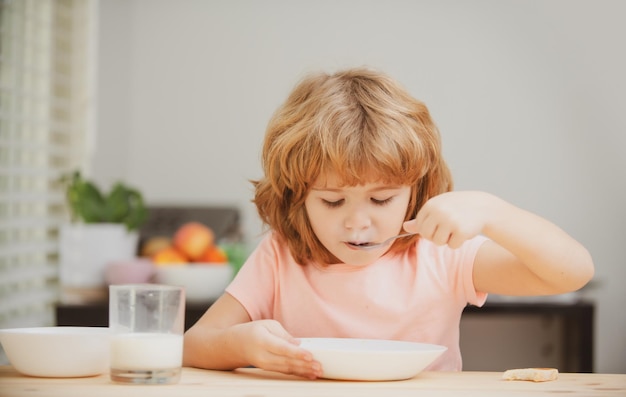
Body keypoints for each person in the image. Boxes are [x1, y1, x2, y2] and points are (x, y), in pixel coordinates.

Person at [183, 67, 594, 379]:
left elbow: (571, 274)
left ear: (414, 192)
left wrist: (494, 212)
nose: (357, 223)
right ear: (298, 196)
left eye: (381, 199)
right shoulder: (280, 256)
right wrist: (241, 346)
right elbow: (192, 345)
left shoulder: (441, 254)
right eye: (331, 201)